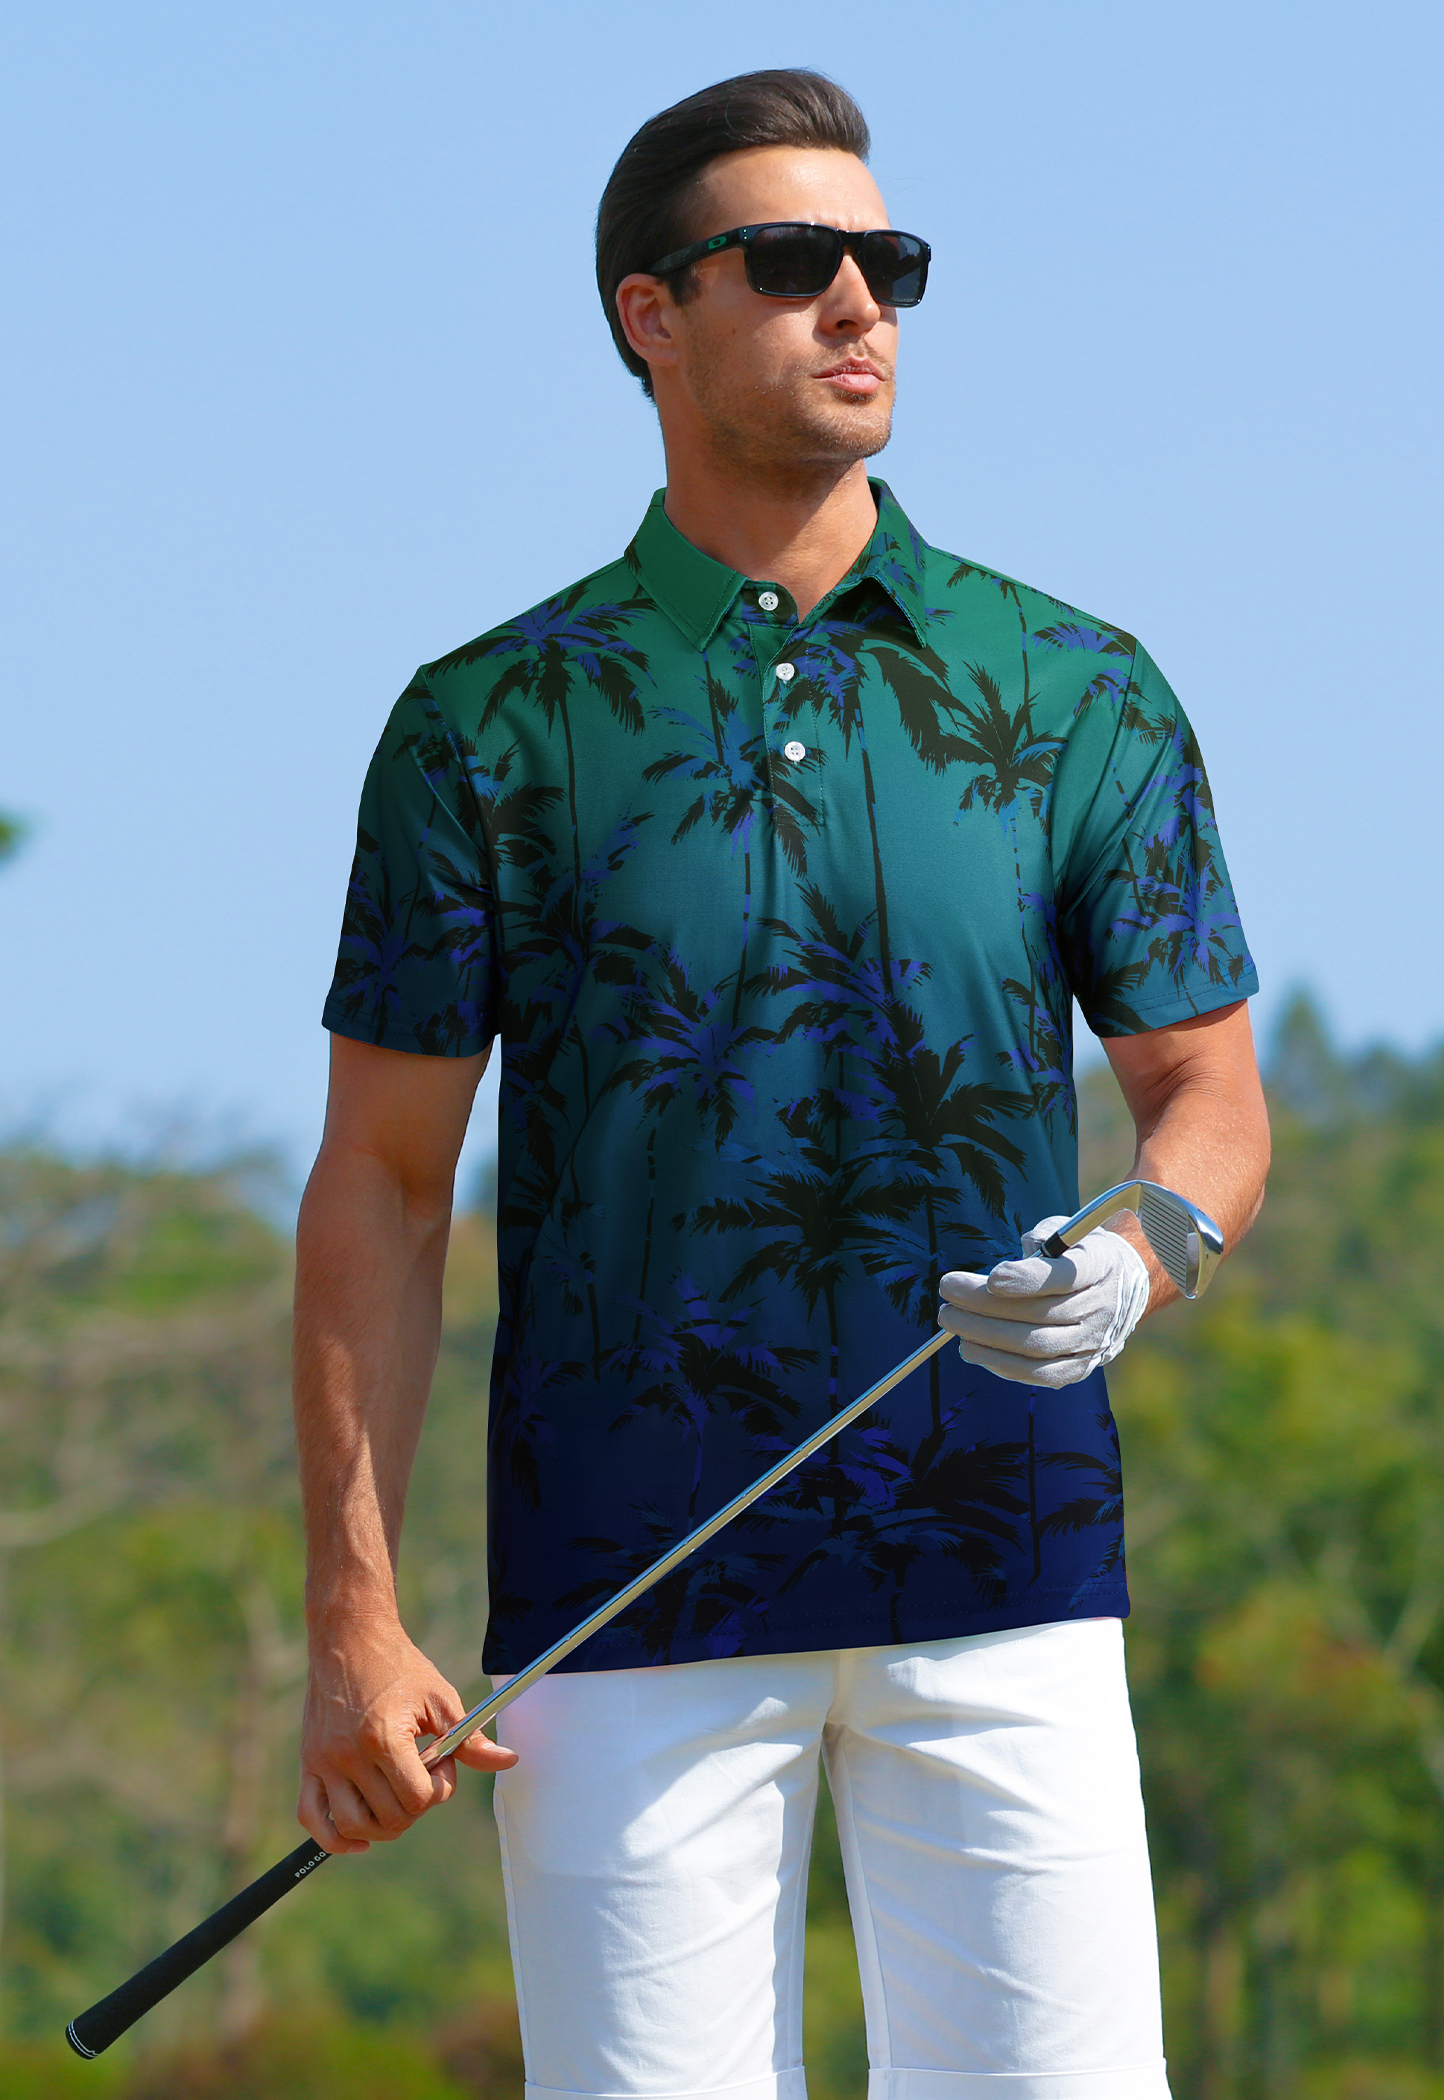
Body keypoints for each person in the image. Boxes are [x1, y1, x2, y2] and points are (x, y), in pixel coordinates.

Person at [296, 67, 1270, 2100]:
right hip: (617, 1611)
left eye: (886, 262)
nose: (858, 302)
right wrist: (356, 1622)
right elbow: (380, 1185)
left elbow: (1206, 1092)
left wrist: (1143, 1250)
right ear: (649, 315)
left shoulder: (1073, 687)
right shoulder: (486, 724)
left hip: (1009, 1581)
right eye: (794, 259)